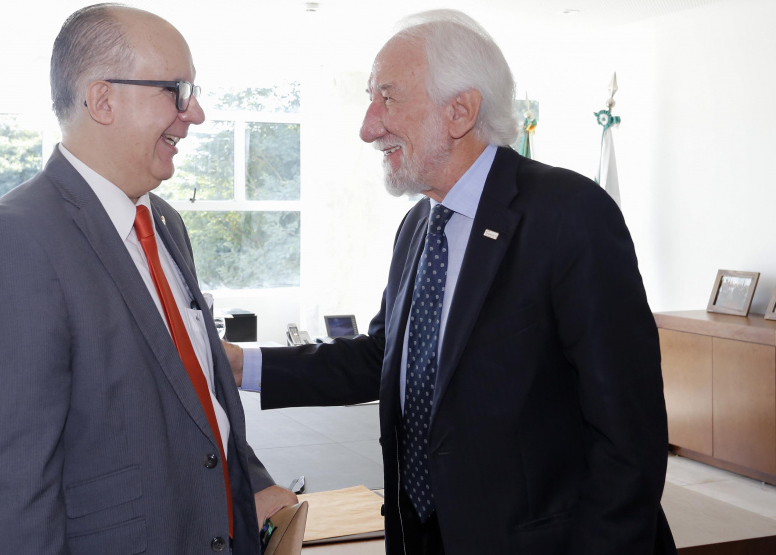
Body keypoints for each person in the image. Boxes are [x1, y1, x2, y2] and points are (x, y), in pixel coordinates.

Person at [225, 9, 676, 555]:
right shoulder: (419, 224)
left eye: (387, 98)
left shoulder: (569, 215)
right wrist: (241, 365)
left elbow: (630, 435)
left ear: (460, 110)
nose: (368, 127)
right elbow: (382, 358)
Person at [0, 4, 295, 553]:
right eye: (176, 91)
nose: (195, 113)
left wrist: (252, 482)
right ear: (103, 99)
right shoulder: (12, 244)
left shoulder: (164, 222)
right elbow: (10, 497)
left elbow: (196, 389)